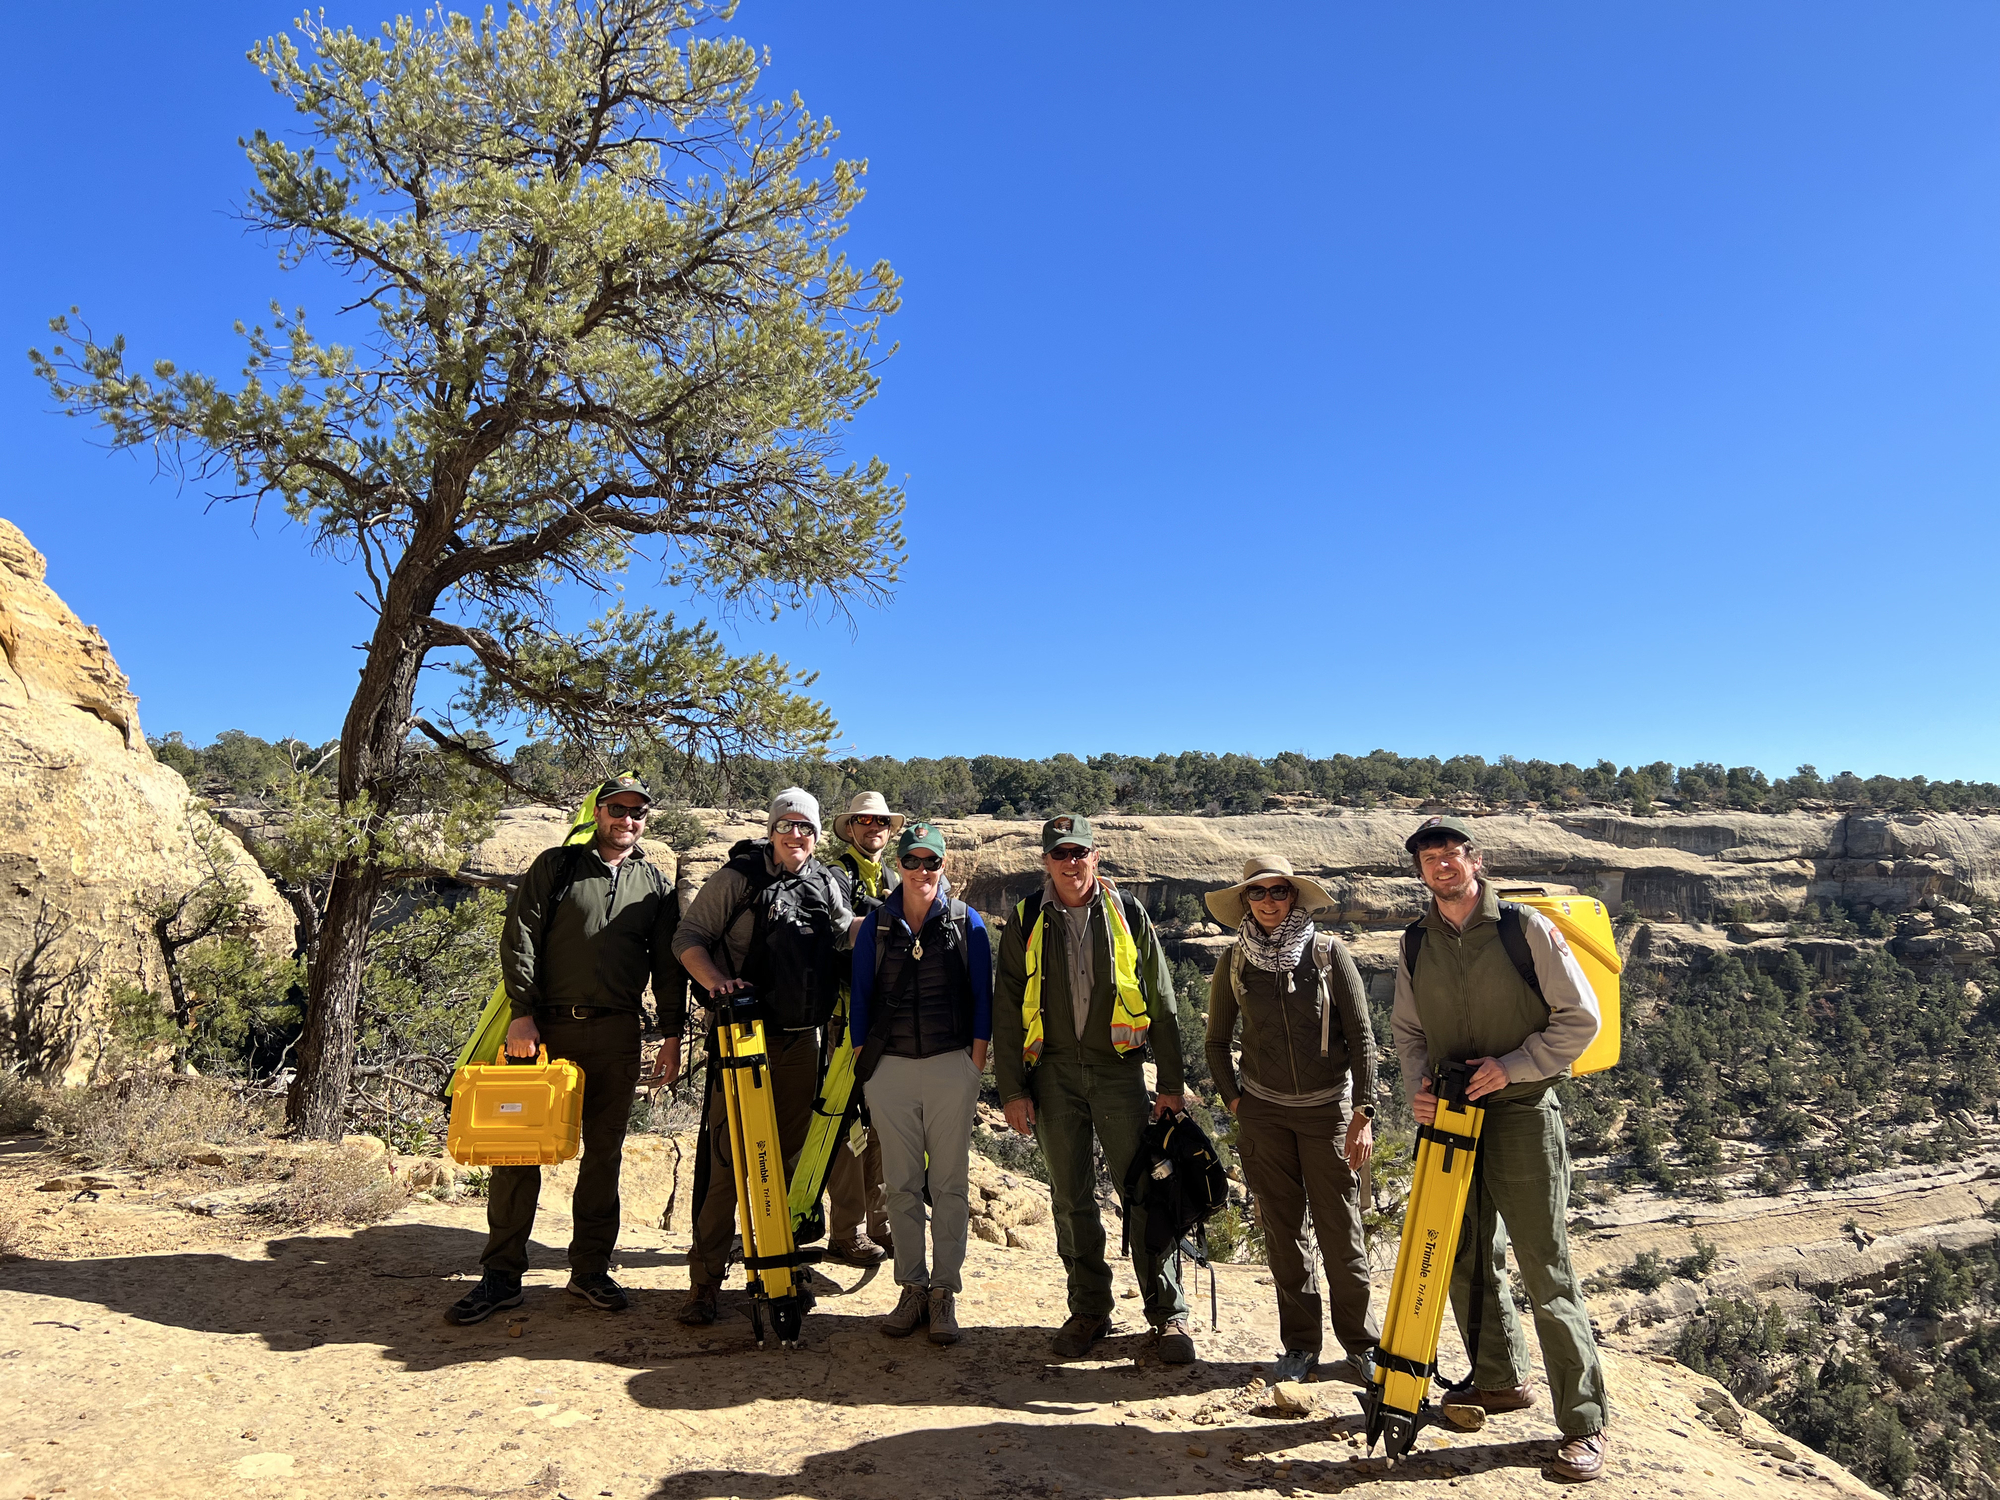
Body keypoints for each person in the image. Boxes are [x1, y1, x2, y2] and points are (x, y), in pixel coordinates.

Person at [1391, 814, 1612, 1483]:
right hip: (1451, 1113)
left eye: (1451, 854)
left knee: (1546, 1270)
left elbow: (1582, 1019)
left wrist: (1513, 1067)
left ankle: (1585, 1423)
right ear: (1421, 870)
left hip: (1519, 1111)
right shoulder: (1414, 941)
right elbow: (1406, 1030)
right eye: (1429, 858)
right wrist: (1416, 1091)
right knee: (1461, 1250)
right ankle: (1498, 1379)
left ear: (1474, 860)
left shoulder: (1524, 930)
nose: (1441, 866)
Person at [446, 774, 683, 1325]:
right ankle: (501, 1276)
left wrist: (671, 1035)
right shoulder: (556, 868)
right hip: (547, 1032)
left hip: (618, 1034)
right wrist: (522, 1014)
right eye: (617, 809)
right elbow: (520, 936)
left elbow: (669, 968)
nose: (627, 820)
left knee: (604, 1155)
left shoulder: (654, 884)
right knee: (518, 1154)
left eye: (637, 812)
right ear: (598, 812)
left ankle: (589, 1272)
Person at [994, 813, 1194, 1363]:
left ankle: (1167, 1314)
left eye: (1080, 852)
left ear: (1096, 856)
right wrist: (1011, 1088)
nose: (1071, 863)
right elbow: (1007, 1005)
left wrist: (1171, 1083)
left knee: (1146, 1191)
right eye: (1061, 854)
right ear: (1046, 862)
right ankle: (1088, 1309)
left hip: (1118, 1073)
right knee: (1071, 1197)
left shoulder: (1127, 913)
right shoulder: (1028, 917)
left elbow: (1162, 998)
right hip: (1053, 1073)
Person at [671, 787, 858, 1328]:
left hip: (804, 1039)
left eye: (806, 828)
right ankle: (704, 1281)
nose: (796, 836)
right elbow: (689, 937)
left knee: (792, 1161)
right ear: (772, 829)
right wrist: (718, 985)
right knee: (729, 1162)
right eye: (787, 825)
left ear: (818, 835)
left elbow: (847, 934)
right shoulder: (738, 880)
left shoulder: (825, 881)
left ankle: (781, 1267)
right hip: (742, 1039)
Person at [1203, 854, 1380, 1387]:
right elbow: (1215, 1040)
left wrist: (1363, 1112)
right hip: (1265, 1114)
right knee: (1284, 1234)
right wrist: (1237, 1103)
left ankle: (1362, 1345)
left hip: (1328, 1112)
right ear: (1245, 904)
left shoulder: (1327, 954)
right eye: (1258, 894)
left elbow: (1363, 1038)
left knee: (1340, 1232)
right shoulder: (1235, 960)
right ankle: (1301, 1346)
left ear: (1295, 897)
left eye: (1279, 892)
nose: (1269, 903)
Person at [848, 822, 992, 1344]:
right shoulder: (876, 926)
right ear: (899, 866)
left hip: (951, 1064)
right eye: (913, 862)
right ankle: (911, 1286)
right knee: (902, 1184)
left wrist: (975, 1061)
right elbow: (859, 996)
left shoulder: (965, 921)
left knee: (950, 1184)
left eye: (932, 862)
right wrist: (868, 1059)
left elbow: (983, 995)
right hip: (891, 1070)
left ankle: (943, 1293)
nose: (922, 871)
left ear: (943, 866)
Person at [820, 791, 902, 1266]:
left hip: (886, 1020)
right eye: (864, 819)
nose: (873, 826)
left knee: (886, 1124)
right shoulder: (834, 876)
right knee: (849, 1125)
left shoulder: (894, 875)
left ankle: (883, 1223)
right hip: (844, 1020)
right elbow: (837, 932)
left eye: (881, 821)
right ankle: (845, 1230)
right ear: (850, 827)